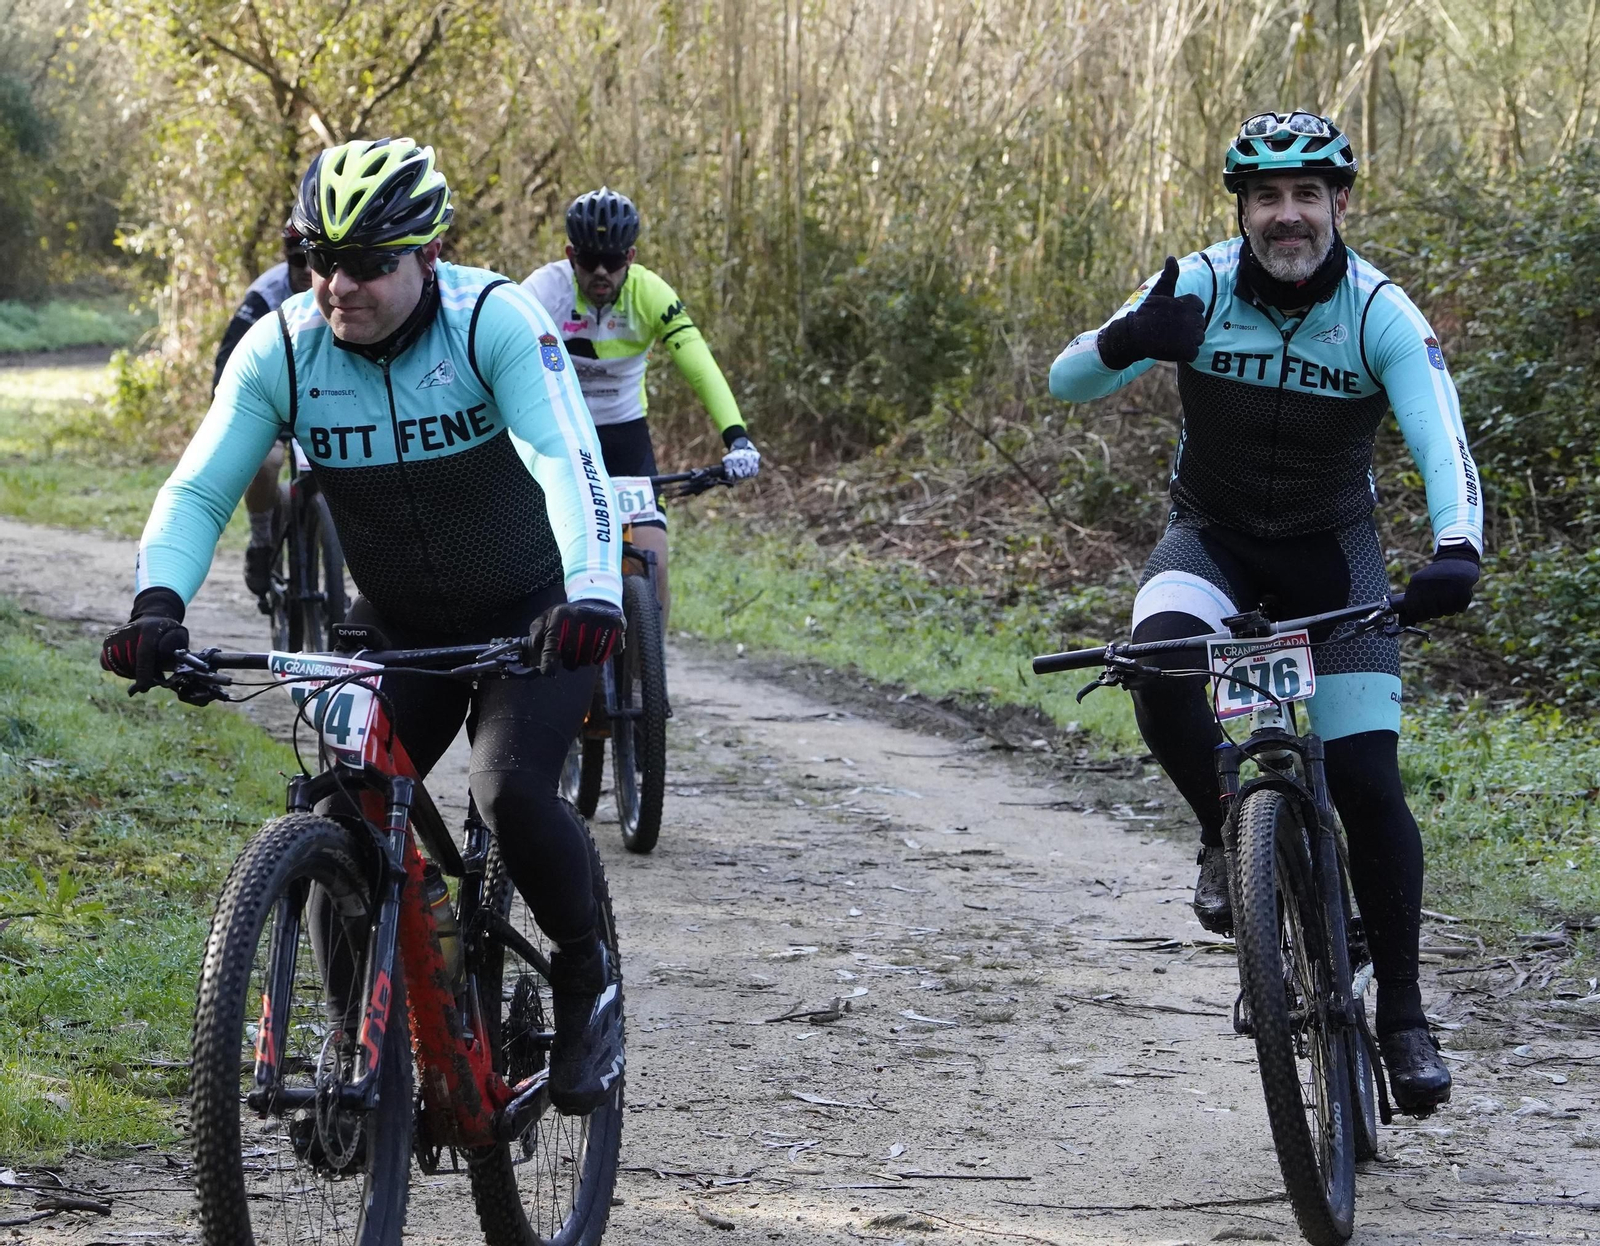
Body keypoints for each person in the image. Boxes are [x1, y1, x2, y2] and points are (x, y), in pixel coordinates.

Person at [100, 137, 626, 1115]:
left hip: (534, 614)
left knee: (511, 791)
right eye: (319, 258)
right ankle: (359, 1058)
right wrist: (157, 608)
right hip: (393, 624)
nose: (338, 285)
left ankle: (586, 976)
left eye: (368, 262)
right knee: (343, 804)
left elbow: (569, 458)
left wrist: (592, 593)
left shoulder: (491, 321)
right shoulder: (285, 350)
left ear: (428, 253)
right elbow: (199, 486)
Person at [1048, 110, 1484, 1114]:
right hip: (1211, 539)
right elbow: (1066, 378)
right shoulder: (1195, 286)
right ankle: (1223, 834)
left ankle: (1406, 1017)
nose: (1285, 217)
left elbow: (1439, 441)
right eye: (1264, 198)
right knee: (1158, 670)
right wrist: (1128, 339)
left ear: (1339, 203)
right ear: (1241, 210)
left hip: (1334, 562)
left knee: (1368, 780)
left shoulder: (1377, 311)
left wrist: (1456, 549)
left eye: (1304, 196)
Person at [522, 187, 759, 624]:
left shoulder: (650, 293)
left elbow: (699, 364)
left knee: (653, 563)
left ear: (629, 257)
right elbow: (500, 356)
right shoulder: (542, 291)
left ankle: (650, 682)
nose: (599, 271)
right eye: (588, 259)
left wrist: (737, 437)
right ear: (569, 253)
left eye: (611, 262)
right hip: (557, 434)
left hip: (624, 434)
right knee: (543, 563)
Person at [211, 221, 315, 599]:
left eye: (313, 259)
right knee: (266, 462)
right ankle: (260, 543)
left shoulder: (344, 290)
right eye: (296, 260)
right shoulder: (263, 297)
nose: (306, 269)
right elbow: (227, 366)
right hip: (269, 400)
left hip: (319, 397)